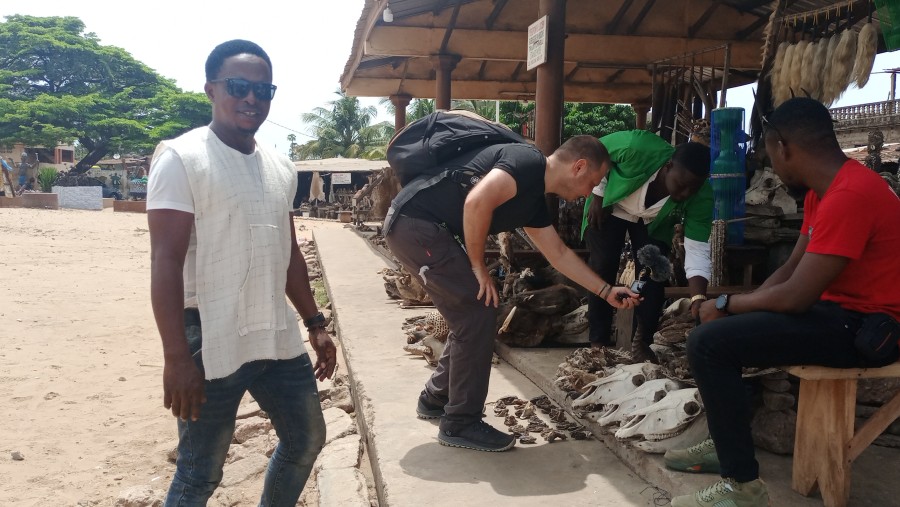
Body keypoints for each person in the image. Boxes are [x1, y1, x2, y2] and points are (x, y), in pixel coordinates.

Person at [666, 97, 900, 507]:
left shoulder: (852, 194)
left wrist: (725, 306)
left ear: (783, 147)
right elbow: (791, 270)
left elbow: (795, 297)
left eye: (770, 156)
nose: (772, 165)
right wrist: (739, 306)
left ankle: (743, 488)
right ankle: (725, 445)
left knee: (711, 343)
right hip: (837, 314)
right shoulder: (821, 193)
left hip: (869, 327)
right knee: (719, 332)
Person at [147, 39, 336, 506]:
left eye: (263, 90)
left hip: (273, 331)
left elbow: (287, 250)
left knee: (306, 439)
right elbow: (164, 261)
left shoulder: (280, 165)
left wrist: (315, 324)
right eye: (238, 86)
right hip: (208, 334)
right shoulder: (181, 158)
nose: (252, 98)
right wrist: (176, 358)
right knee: (200, 473)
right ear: (211, 89)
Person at [385, 134, 641, 452]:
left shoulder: (532, 201)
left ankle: (436, 398)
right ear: (579, 166)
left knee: (472, 314)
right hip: (417, 226)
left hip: (419, 228)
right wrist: (479, 267)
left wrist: (605, 290)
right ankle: (460, 421)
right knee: (478, 311)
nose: (591, 192)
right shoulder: (526, 162)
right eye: (595, 182)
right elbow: (477, 201)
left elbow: (558, 253)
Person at [582, 130, 712, 362]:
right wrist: (598, 194)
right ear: (668, 166)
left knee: (654, 275)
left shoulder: (701, 195)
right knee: (603, 265)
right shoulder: (637, 147)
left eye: (693, 189)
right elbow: (597, 150)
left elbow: (697, 249)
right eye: (681, 185)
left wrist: (698, 298)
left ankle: (642, 341)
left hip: (652, 222)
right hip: (611, 205)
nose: (685, 194)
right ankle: (598, 343)